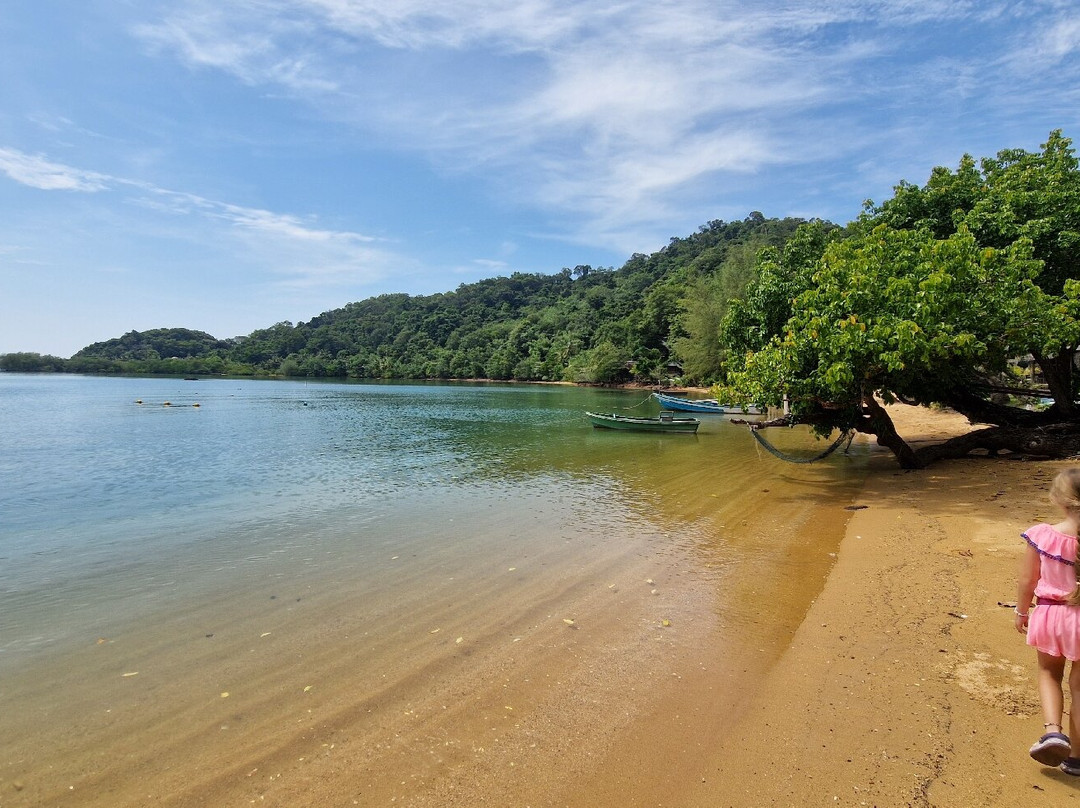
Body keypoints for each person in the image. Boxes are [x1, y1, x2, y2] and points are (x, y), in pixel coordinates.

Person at [1016, 467, 1080, 774]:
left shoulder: (1043, 535)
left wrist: (1021, 611)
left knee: (1049, 673)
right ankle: (1076, 759)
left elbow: (1027, 580)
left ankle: (1053, 731)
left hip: (1051, 615)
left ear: (1059, 500)